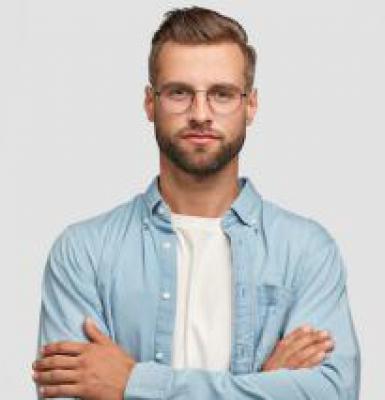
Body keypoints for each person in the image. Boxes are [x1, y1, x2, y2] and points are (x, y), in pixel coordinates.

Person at [32, 6, 360, 400]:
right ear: (150, 103)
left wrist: (133, 383)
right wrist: (265, 384)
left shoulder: (306, 251)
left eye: (222, 94)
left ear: (251, 105)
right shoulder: (83, 252)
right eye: (179, 93)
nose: (200, 114)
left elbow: (331, 393)